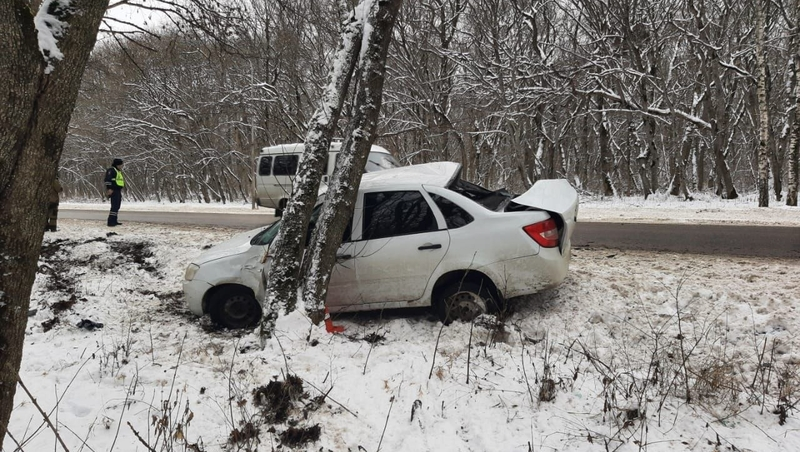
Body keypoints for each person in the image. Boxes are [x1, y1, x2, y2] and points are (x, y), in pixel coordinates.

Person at [104, 158, 125, 226]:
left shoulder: (118, 171)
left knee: (117, 206)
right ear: (117, 164)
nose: (122, 166)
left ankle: (114, 220)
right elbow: (108, 180)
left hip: (117, 190)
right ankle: (110, 222)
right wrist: (109, 188)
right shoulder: (111, 170)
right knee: (114, 206)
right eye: (121, 165)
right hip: (113, 190)